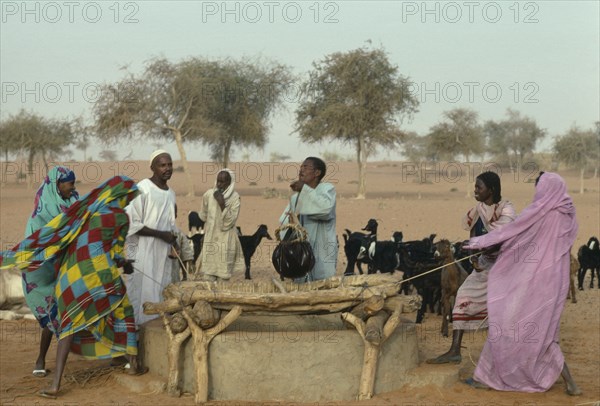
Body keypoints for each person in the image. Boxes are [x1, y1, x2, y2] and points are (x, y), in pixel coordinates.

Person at [1, 176, 145, 399]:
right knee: (123, 309)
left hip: (70, 278)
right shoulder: (121, 217)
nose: (129, 200)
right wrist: (125, 263)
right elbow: (116, 254)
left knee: (67, 326)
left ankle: (56, 385)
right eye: (129, 196)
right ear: (121, 196)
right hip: (100, 274)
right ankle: (133, 364)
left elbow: (69, 238)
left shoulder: (87, 212)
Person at [463, 172, 581, 395]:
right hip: (555, 282)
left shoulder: (539, 211)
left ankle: (490, 376)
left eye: (539, 188)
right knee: (545, 333)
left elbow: (511, 232)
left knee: (505, 322)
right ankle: (571, 384)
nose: (538, 193)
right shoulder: (567, 213)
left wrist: (476, 242)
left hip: (531, 281)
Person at [427, 171, 516, 364]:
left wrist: (477, 245)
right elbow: (475, 237)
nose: (475, 190)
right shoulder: (479, 210)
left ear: (490, 190)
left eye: (479, 187)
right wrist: (472, 256)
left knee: (503, 312)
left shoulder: (507, 210)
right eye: (475, 186)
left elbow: (499, 239)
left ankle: (503, 357)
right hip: (484, 266)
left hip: (506, 267)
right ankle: (455, 350)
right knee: (463, 297)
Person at [23, 166, 79, 378]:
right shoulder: (43, 209)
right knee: (51, 312)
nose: (72, 188)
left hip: (67, 261)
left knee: (74, 306)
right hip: (43, 267)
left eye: (73, 183)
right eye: (69, 184)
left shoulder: (74, 201)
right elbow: (39, 239)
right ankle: (41, 358)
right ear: (57, 185)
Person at [124, 150, 177, 326]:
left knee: (161, 292)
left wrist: (173, 242)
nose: (167, 168)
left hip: (162, 255)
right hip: (142, 253)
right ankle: (136, 342)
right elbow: (132, 223)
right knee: (140, 295)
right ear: (153, 167)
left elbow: (171, 224)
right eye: (162, 165)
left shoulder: (171, 194)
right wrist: (161, 234)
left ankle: (154, 340)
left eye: (169, 164)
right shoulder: (142, 189)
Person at [279, 157, 337, 281]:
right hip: (300, 254)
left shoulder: (327, 189)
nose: (301, 170)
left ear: (317, 173)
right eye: (301, 167)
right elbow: (283, 224)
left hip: (322, 251)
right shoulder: (296, 197)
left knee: (323, 288)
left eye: (306, 167)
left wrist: (304, 190)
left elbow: (325, 209)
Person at [196, 169, 244, 281]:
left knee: (223, 279)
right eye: (218, 181)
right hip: (211, 239)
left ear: (230, 183)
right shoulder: (208, 195)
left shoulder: (235, 198)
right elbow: (203, 216)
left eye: (223, 182)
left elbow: (229, 223)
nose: (219, 184)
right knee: (208, 277)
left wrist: (222, 204)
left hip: (226, 242)